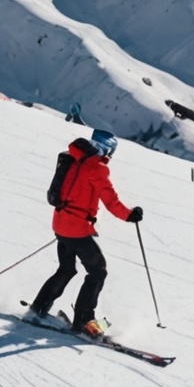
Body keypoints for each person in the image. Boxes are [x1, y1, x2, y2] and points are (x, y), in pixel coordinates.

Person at [28, 129, 144, 336]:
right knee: (98, 271)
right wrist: (130, 215)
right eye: (111, 153)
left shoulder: (74, 158)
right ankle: (84, 321)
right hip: (76, 229)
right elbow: (111, 202)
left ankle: (38, 307)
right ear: (108, 150)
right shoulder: (97, 168)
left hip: (60, 223)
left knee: (66, 269)